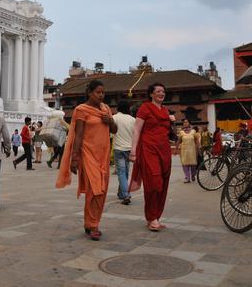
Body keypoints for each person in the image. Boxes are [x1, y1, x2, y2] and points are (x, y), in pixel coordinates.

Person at [56, 80, 117, 241]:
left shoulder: (105, 109)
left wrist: (109, 120)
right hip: (88, 154)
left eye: (103, 92)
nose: (101, 95)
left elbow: (114, 129)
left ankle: (90, 222)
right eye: (98, 92)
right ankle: (93, 224)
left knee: (101, 190)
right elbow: (78, 135)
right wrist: (74, 158)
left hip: (103, 156)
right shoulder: (81, 110)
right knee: (94, 189)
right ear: (89, 93)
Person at [129, 82, 175, 232]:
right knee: (154, 183)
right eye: (158, 91)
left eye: (163, 91)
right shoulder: (145, 108)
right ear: (151, 94)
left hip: (164, 151)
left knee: (163, 184)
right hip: (148, 149)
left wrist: (171, 121)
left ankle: (155, 217)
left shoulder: (166, 110)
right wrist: (133, 151)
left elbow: (169, 133)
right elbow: (136, 130)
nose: (162, 94)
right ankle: (151, 217)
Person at [112, 99, 135, 205]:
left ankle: (126, 194)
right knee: (125, 172)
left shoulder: (114, 118)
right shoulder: (132, 119)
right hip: (129, 148)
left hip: (118, 148)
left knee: (121, 172)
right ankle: (121, 193)